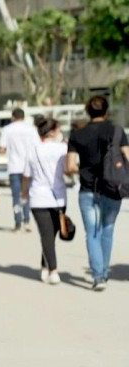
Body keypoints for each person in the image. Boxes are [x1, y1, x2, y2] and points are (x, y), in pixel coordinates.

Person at [66, 95, 129, 291]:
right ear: (107, 111)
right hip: (112, 188)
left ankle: (98, 276)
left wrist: (83, 168)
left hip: (87, 190)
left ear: (88, 111)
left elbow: (69, 167)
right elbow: (128, 157)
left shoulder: (77, 134)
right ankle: (104, 272)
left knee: (92, 233)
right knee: (107, 231)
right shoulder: (117, 131)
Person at [22, 118, 68, 284]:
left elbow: (26, 176)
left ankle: (44, 265)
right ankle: (53, 270)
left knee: (48, 234)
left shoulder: (33, 150)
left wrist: (23, 194)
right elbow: (69, 170)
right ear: (53, 132)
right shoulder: (63, 149)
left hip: (38, 197)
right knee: (50, 234)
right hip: (59, 196)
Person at [0, 108, 40, 232]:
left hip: (14, 167)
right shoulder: (31, 129)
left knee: (16, 196)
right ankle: (27, 221)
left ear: (13, 116)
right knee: (26, 195)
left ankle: (17, 223)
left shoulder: (7, 129)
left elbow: (1, 148)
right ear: (23, 117)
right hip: (28, 167)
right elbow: (37, 147)